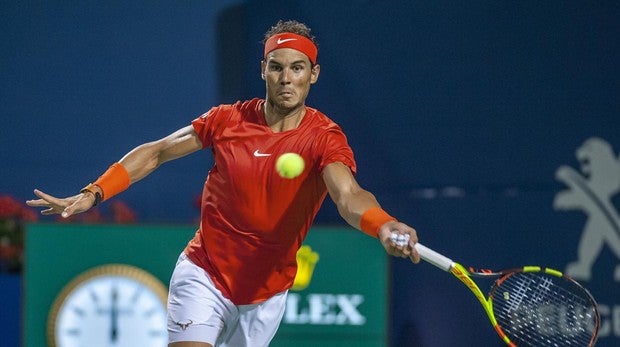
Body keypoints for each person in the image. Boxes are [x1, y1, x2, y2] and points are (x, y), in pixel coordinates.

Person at [27, 20, 420, 347]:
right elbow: (158, 151)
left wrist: (383, 225)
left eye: (297, 68)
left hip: (266, 293)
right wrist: (93, 192)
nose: (286, 78)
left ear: (313, 74)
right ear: (262, 69)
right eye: (276, 66)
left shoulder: (324, 138)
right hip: (205, 273)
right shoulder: (227, 120)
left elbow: (348, 195)